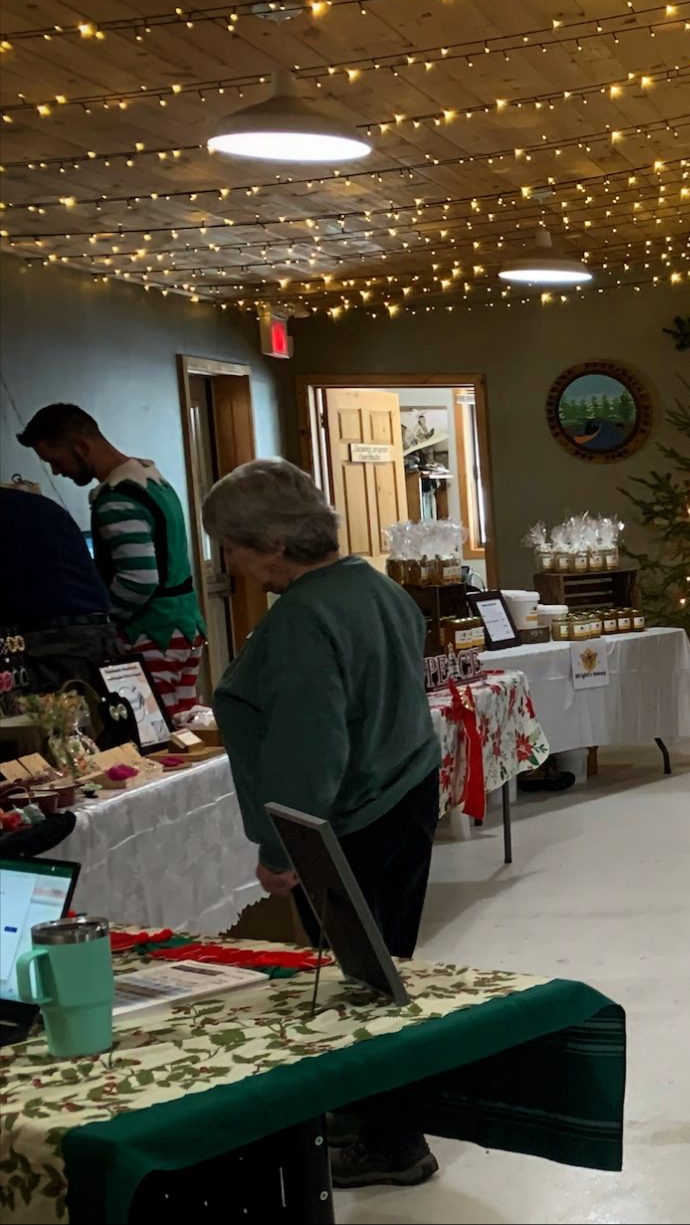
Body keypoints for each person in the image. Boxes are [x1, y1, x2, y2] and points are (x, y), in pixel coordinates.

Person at [199, 459, 442, 1189]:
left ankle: (392, 1140)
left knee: (362, 979)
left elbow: (312, 746)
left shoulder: (304, 617)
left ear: (273, 544)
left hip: (348, 820)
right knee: (387, 962)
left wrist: (283, 847)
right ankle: (373, 1111)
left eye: (232, 548)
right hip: (404, 792)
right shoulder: (377, 586)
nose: (230, 565)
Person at [15, 403, 210, 718]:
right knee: (184, 722)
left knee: (151, 729)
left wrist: (106, 623)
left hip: (150, 632)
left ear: (81, 446)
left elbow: (140, 579)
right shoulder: (154, 480)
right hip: (186, 626)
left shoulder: (117, 499)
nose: (56, 471)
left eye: (56, 460)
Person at [0, 482, 121, 694]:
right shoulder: (43, 506)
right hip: (101, 635)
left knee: (44, 723)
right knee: (102, 720)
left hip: (44, 643)